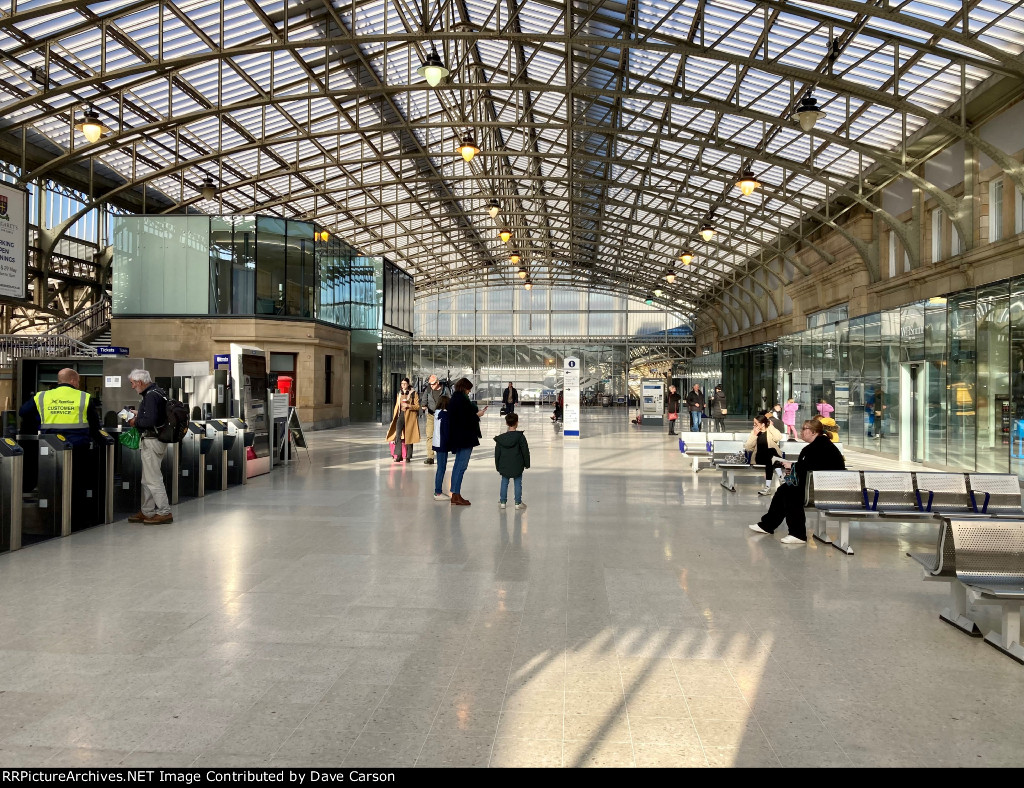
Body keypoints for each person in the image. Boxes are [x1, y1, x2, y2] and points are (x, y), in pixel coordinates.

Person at [748, 419, 845, 544]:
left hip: (827, 490)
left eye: (804, 429)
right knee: (784, 489)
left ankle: (797, 534)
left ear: (814, 432)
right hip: (818, 486)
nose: (801, 432)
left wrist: (793, 467)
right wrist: (793, 468)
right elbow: (809, 467)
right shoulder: (815, 446)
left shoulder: (821, 447)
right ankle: (767, 525)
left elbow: (814, 468)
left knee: (791, 493)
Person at [19, 367, 103, 501]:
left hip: (50, 446)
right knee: (76, 481)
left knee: (52, 480)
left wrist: (41, 420)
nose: (78, 384)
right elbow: (94, 425)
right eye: (78, 381)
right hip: (78, 446)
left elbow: (23, 412)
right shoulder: (83, 397)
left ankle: (53, 512)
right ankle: (75, 514)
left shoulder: (42, 396)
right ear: (73, 380)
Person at [127, 368, 173, 525]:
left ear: (140, 382)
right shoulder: (158, 392)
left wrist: (135, 421)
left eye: (133, 383)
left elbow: (151, 421)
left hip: (152, 440)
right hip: (158, 439)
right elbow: (156, 416)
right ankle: (147, 511)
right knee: (147, 478)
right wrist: (140, 413)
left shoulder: (151, 395)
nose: (132, 386)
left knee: (153, 479)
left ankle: (164, 512)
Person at [447, 377, 487, 506]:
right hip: (464, 437)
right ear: (464, 388)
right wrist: (477, 415)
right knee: (461, 466)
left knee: (458, 465)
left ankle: (455, 493)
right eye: (468, 389)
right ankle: (456, 494)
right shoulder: (461, 400)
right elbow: (464, 419)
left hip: (459, 437)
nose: (469, 391)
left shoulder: (456, 399)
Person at [494, 412, 531, 510]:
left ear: (506, 423)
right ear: (517, 423)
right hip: (517, 464)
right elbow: (525, 451)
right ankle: (518, 503)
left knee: (504, 482)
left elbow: (497, 453)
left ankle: (503, 502)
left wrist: (497, 465)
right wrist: (527, 464)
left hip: (504, 464)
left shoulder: (501, 439)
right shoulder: (520, 437)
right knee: (518, 482)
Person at [743, 414, 782, 496]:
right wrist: (754, 435)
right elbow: (748, 447)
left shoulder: (770, 431)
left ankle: (767, 488)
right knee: (771, 452)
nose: (754, 425)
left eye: (756, 423)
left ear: (763, 424)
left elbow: (778, 437)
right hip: (760, 457)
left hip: (770, 458)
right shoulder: (754, 432)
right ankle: (781, 478)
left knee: (770, 456)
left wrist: (771, 426)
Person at [385, 378, 420, 463]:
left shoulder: (413, 393)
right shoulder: (399, 393)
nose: (403, 385)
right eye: (402, 384)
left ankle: (408, 456)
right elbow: (397, 406)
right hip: (400, 416)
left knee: (409, 435)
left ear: (408, 384)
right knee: (398, 435)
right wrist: (394, 417)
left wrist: (408, 405)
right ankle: (398, 455)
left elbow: (417, 406)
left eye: (404, 384)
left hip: (410, 416)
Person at [431, 395, 451, 500]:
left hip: (437, 443)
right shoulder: (445, 415)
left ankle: (438, 491)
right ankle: (438, 492)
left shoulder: (437, 413)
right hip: (443, 444)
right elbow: (447, 432)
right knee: (441, 468)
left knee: (440, 467)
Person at [422, 375, 444, 466]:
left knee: (441, 436)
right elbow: (424, 399)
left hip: (442, 415)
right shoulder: (428, 390)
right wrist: (424, 405)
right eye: (430, 384)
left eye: (433, 384)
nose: (432, 386)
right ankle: (430, 457)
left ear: (437, 382)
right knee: (429, 435)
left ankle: (441, 455)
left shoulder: (444, 390)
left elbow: (449, 400)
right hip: (431, 415)